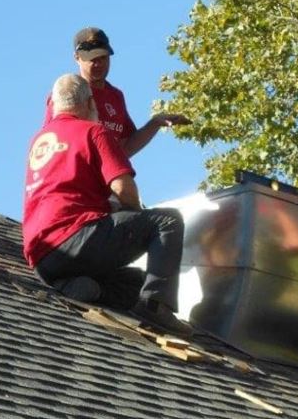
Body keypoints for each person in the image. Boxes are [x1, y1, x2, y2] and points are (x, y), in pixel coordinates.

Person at [24, 73, 191, 336]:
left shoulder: (39, 141)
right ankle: (157, 307)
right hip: (78, 238)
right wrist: (133, 216)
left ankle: (84, 287)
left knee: (137, 283)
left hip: (44, 260)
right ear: (91, 103)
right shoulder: (93, 131)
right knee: (167, 221)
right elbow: (123, 187)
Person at [44, 27, 190, 157]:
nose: (98, 64)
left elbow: (125, 148)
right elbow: (50, 144)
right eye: (92, 59)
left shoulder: (115, 96)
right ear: (77, 58)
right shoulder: (65, 93)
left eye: (103, 57)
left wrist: (155, 123)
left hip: (107, 183)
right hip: (80, 181)